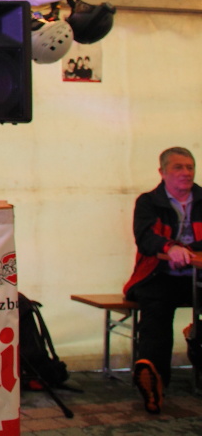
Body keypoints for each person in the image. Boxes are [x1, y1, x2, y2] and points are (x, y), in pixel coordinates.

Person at [123, 146, 201, 414]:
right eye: (178, 167)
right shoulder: (148, 202)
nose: (186, 173)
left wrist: (193, 252)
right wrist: (171, 247)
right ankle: (154, 377)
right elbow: (145, 239)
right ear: (163, 172)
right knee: (156, 309)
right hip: (159, 275)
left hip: (197, 277)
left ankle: (196, 349)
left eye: (190, 167)